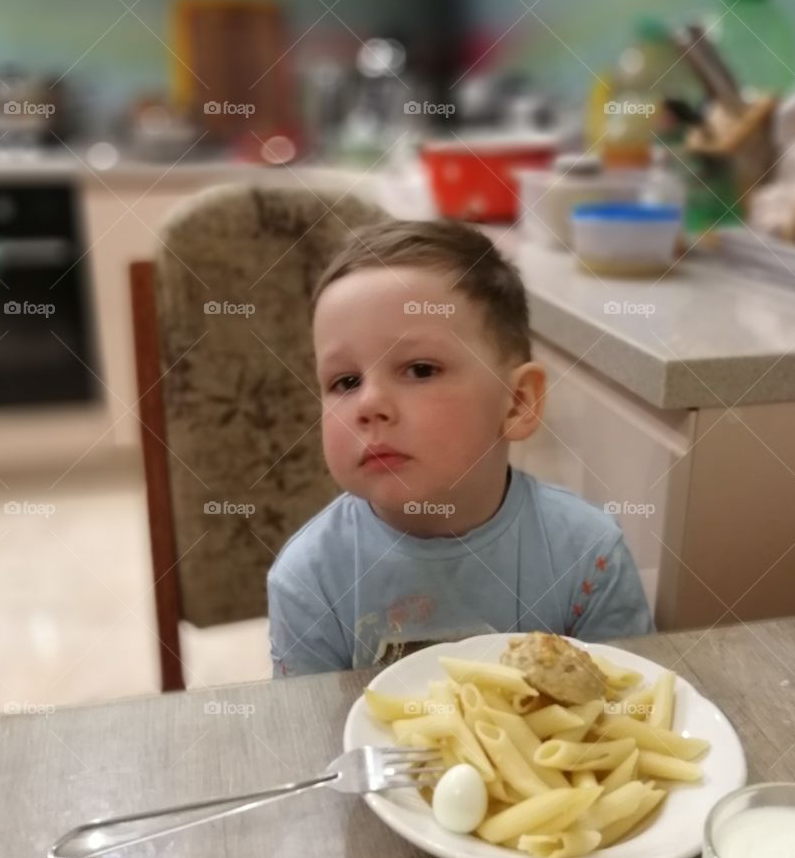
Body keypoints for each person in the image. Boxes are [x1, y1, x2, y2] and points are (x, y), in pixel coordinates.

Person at [267, 219, 653, 675]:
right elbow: (313, 736)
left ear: (517, 402)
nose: (369, 404)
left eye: (420, 369)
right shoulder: (309, 579)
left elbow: (627, 708)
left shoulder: (589, 557)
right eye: (345, 381)